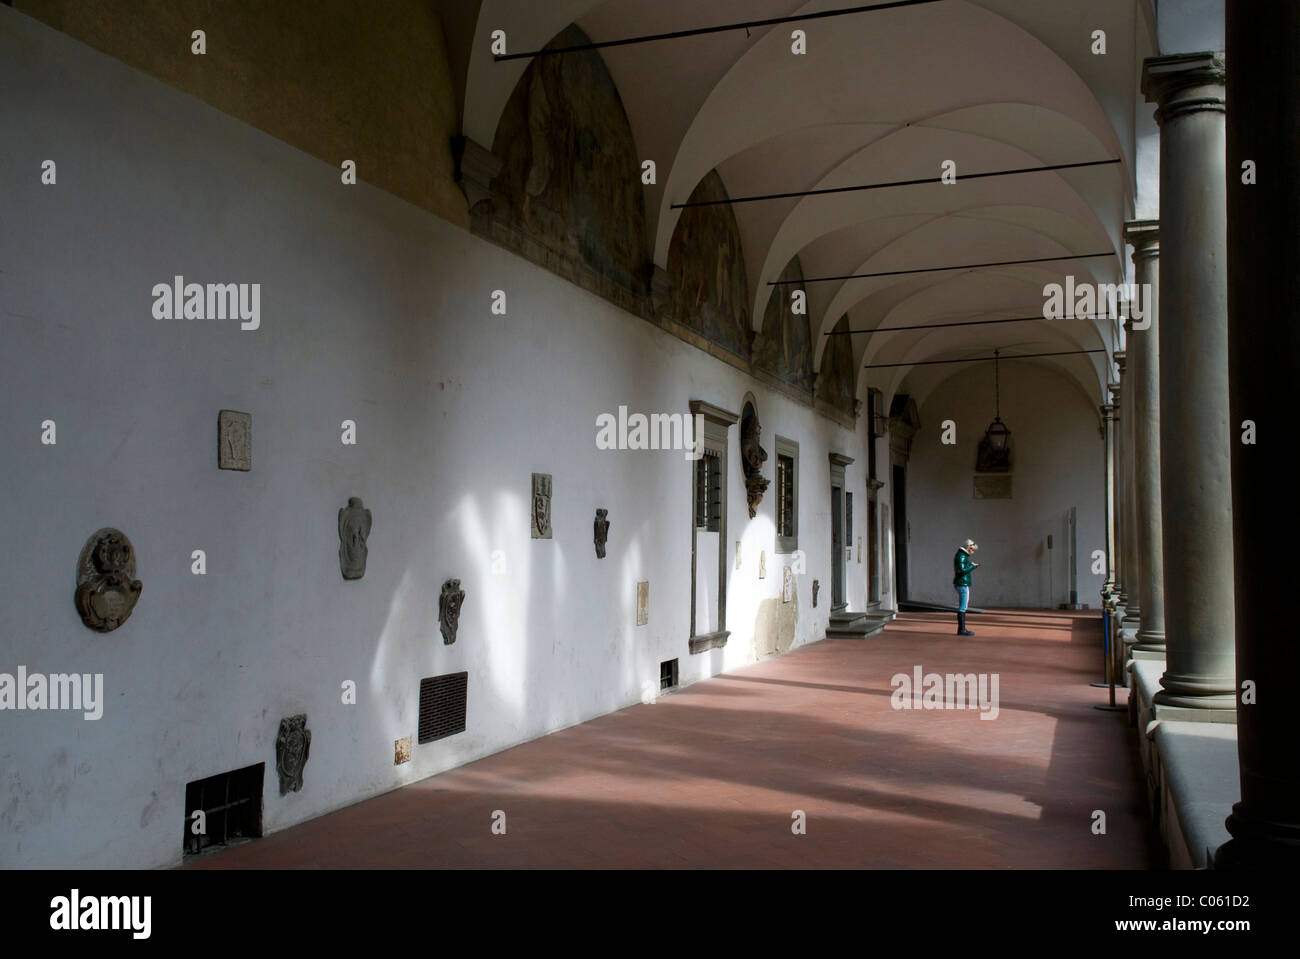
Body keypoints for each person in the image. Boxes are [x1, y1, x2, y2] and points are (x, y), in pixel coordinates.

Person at [953, 539, 979, 636]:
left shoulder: (962, 556)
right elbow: (961, 571)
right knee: (963, 607)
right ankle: (961, 629)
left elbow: (962, 568)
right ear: (968, 548)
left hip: (962, 583)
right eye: (972, 550)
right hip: (962, 583)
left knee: (963, 606)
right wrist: (972, 566)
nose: (973, 552)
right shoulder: (962, 556)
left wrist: (971, 565)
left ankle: (962, 629)